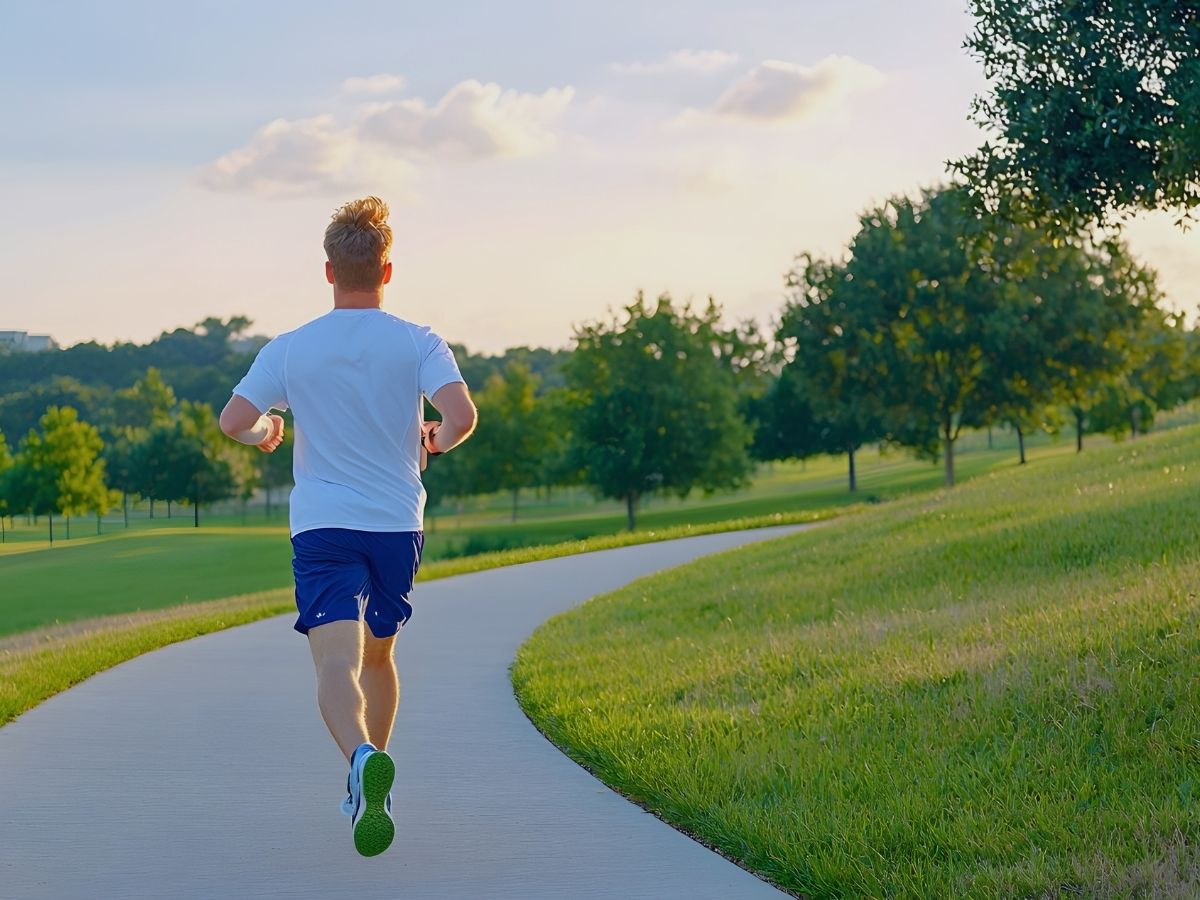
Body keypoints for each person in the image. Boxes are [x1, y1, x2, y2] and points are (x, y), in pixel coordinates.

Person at [219, 196, 477, 857]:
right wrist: (437, 440)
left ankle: (362, 759)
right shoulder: (420, 341)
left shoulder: (291, 347)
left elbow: (231, 421)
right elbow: (462, 415)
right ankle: (373, 780)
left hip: (324, 527)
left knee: (337, 659)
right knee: (381, 656)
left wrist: (265, 432)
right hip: (396, 523)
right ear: (387, 271)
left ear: (329, 271)